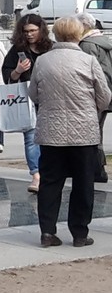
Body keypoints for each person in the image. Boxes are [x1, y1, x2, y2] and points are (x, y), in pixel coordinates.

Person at [28, 16, 112, 248]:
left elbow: (33, 94)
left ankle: (47, 231)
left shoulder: (43, 61)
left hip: (50, 130)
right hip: (83, 130)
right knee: (83, 183)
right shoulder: (88, 61)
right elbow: (104, 96)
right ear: (78, 34)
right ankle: (80, 233)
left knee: (50, 182)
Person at [1, 14, 52, 193]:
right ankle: (36, 175)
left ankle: (48, 173)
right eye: (26, 31)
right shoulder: (18, 49)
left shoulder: (50, 48)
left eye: (33, 31)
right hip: (27, 99)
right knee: (31, 138)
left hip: (49, 99)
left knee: (49, 140)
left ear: (41, 30)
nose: (29, 35)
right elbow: (8, 76)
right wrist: (18, 71)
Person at [76, 12, 112, 183]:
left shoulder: (88, 45)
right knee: (96, 131)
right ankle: (97, 170)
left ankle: (96, 170)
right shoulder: (104, 42)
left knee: (92, 133)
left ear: (84, 26)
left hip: (94, 95)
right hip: (105, 94)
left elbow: (89, 72)